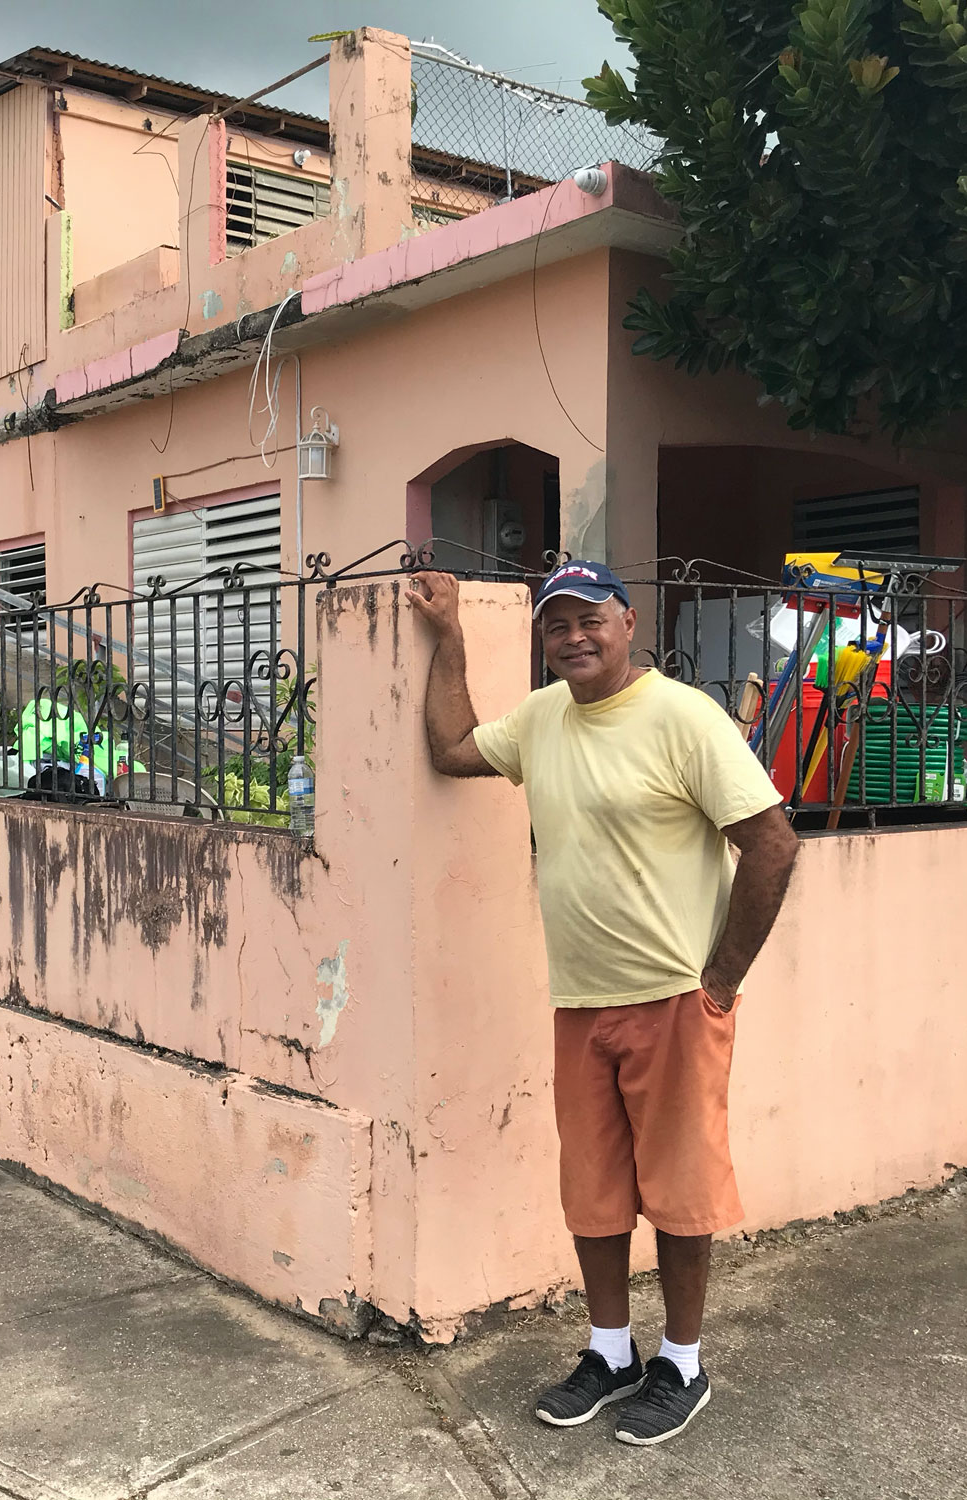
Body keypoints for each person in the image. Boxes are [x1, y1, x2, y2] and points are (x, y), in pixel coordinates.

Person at [407, 560, 798, 1449]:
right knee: (593, 1195)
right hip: (580, 1003)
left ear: (629, 622)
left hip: (673, 1001)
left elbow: (772, 845)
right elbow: (454, 747)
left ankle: (683, 1364)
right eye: (557, 625)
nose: (574, 636)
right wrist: (453, 636)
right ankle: (611, 1351)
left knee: (681, 1196)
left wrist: (721, 980)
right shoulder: (543, 720)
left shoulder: (682, 717)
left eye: (591, 619)